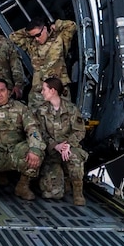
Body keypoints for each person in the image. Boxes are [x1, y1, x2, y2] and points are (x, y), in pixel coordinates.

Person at [29, 76, 89, 205]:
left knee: (74, 158)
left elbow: (79, 131)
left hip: (69, 148)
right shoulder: (41, 111)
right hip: (52, 151)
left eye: (44, 89)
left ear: (53, 91)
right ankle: (62, 180)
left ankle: (78, 193)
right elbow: (41, 133)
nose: (41, 92)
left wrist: (67, 145)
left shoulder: (71, 109)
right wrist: (55, 146)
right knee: (53, 193)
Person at [13, 18, 80, 97]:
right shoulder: (32, 45)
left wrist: (57, 25)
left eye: (38, 35)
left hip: (57, 88)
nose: (37, 39)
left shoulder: (59, 38)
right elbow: (13, 37)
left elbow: (72, 26)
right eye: (33, 36)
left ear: (45, 28)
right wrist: (28, 32)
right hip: (39, 91)